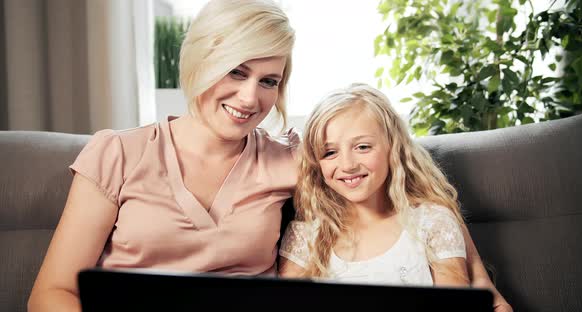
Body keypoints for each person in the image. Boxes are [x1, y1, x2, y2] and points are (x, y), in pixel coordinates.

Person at [28, 0, 510, 311]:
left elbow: (394, 182)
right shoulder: (116, 154)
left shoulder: (293, 162)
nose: (249, 98)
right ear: (200, 61)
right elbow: (52, 294)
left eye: (268, 81)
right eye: (235, 71)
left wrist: (479, 281)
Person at [278, 83, 512, 310]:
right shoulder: (305, 237)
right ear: (316, 164)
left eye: (362, 147)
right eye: (329, 152)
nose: (347, 165)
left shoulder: (432, 223)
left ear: (394, 148)